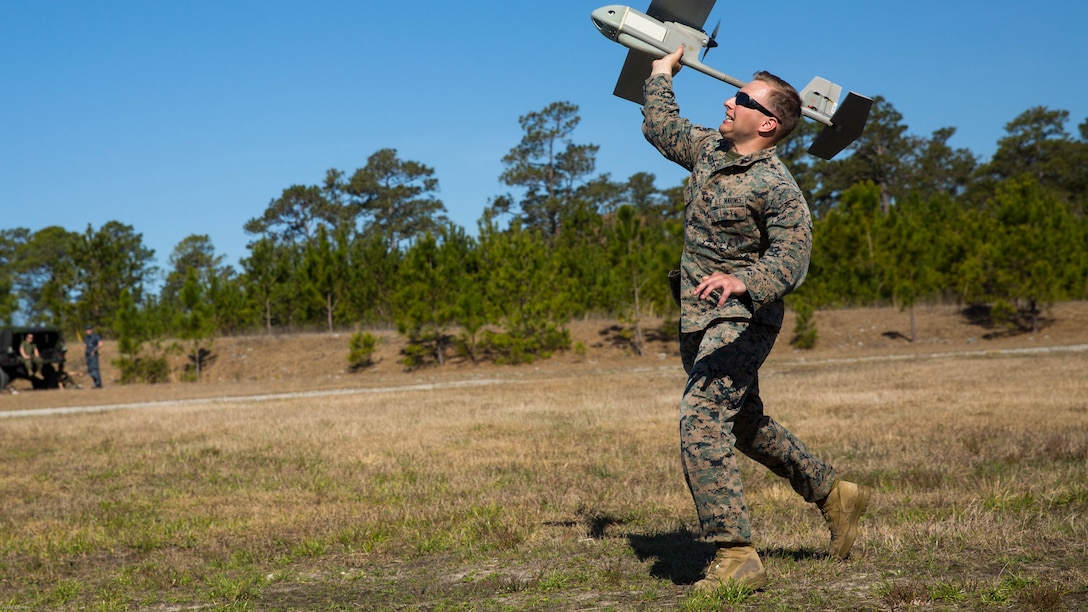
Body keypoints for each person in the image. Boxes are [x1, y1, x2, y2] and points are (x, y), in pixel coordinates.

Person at [641, 47, 873, 591]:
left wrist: (747, 281)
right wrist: (659, 74)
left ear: (767, 123)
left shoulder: (776, 185)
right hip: (698, 318)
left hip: (745, 318)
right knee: (742, 423)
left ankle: (736, 554)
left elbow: (794, 255)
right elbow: (661, 126)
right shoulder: (709, 151)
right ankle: (833, 492)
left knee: (701, 415)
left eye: (741, 98)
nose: (728, 98)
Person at [84, 324, 103, 388]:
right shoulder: (86, 337)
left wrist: (94, 350)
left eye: (89, 329)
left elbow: (100, 344)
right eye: (87, 330)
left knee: (95, 369)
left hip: (93, 355)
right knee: (90, 370)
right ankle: (95, 383)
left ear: (92, 330)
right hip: (88, 355)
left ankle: (98, 384)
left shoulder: (95, 336)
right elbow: (85, 344)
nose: (88, 331)